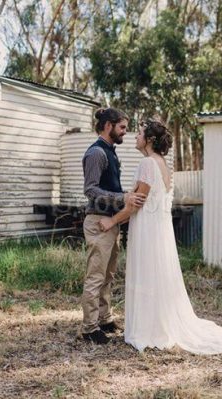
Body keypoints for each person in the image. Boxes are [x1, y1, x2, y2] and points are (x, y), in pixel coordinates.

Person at [99, 119, 222, 354]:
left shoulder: (147, 164)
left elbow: (137, 204)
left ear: (150, 140)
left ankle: (150, 329)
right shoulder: (163, 164)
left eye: (140, 133)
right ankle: (157, 321)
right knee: (156, 274)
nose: (135, 136)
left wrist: (111, 221)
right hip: (159, 230)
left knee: (147, 273)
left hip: (147, 229)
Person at [81, 107, 146, 345]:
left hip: (110, 222)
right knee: (95, 276)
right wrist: (122, 199)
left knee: (108, 275)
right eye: (122, 128)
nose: (125, 133)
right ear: (108, 125)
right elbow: (90, 189)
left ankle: (105, 318)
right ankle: (89, 328)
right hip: (98, 222)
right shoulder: (96, 153)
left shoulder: (111, 152)